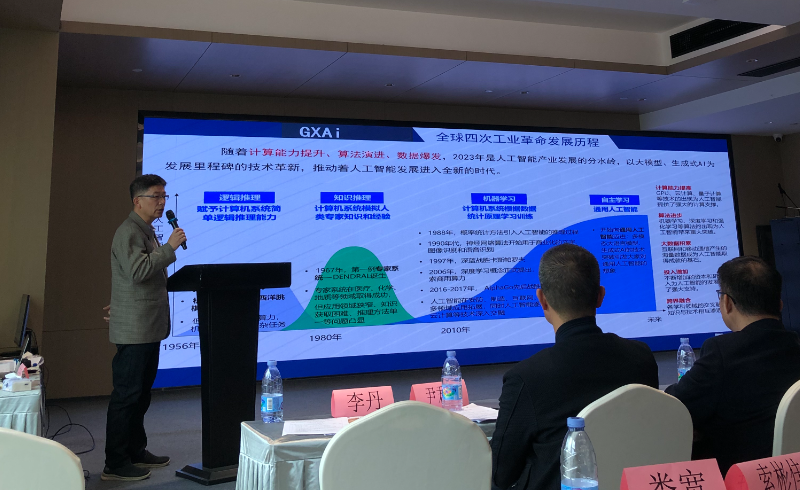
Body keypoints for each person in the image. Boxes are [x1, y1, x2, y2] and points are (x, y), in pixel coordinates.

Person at [491, 244, 659, 490]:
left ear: (542, 300)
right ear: (600, 295)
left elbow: (500, 474)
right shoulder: (641, 358)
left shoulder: (526, 378)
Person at [665, 256, 800, 475]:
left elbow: (673, 406)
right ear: (780, 305)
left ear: (726, 303)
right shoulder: (794, 345)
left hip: (741, 477)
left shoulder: (722, 352)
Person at [101, 174, 186, 481]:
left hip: (147, 326)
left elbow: (134, 278)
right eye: (156, 196)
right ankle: (115, 463)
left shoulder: (146, 231)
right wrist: (171, 247)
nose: (162, 202)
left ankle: (135, 450)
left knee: (141, 395)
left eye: (164, 196)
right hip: (135, 331)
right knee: (127, 396)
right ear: (138, 201)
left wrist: (121, 301)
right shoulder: (128, 231)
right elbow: (138, 271)